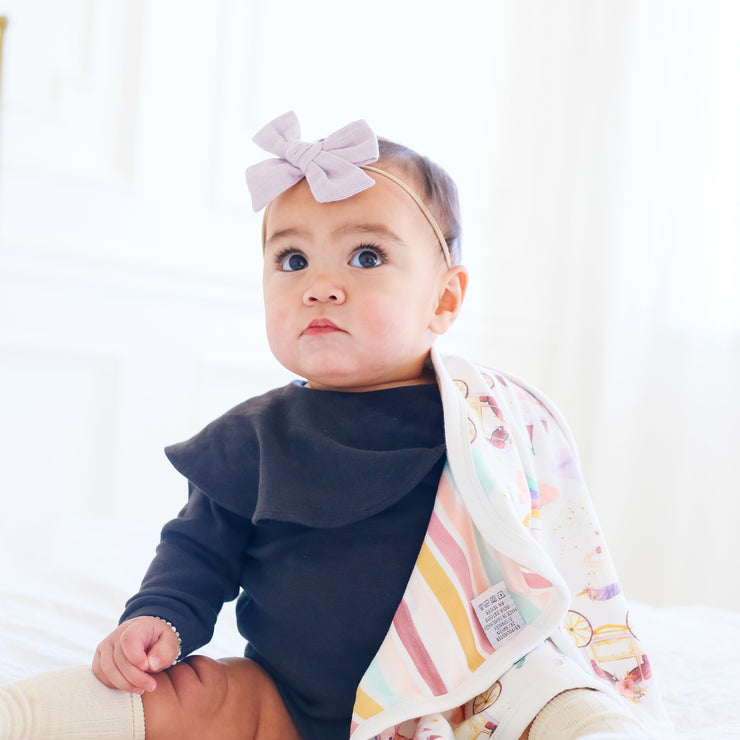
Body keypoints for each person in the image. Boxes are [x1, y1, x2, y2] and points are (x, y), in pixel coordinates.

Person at [0, 112, 673, 740]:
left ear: (443, 298)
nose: (319, 285)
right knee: (169, 697)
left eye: (366, 256)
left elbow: (536, 540)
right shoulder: (251, 438)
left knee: (559, 697)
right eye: (292, 261)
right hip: (285, 701)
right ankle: (23, 715)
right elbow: (198, 552)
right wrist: (159, 618)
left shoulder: (479, 423)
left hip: (470, 697)